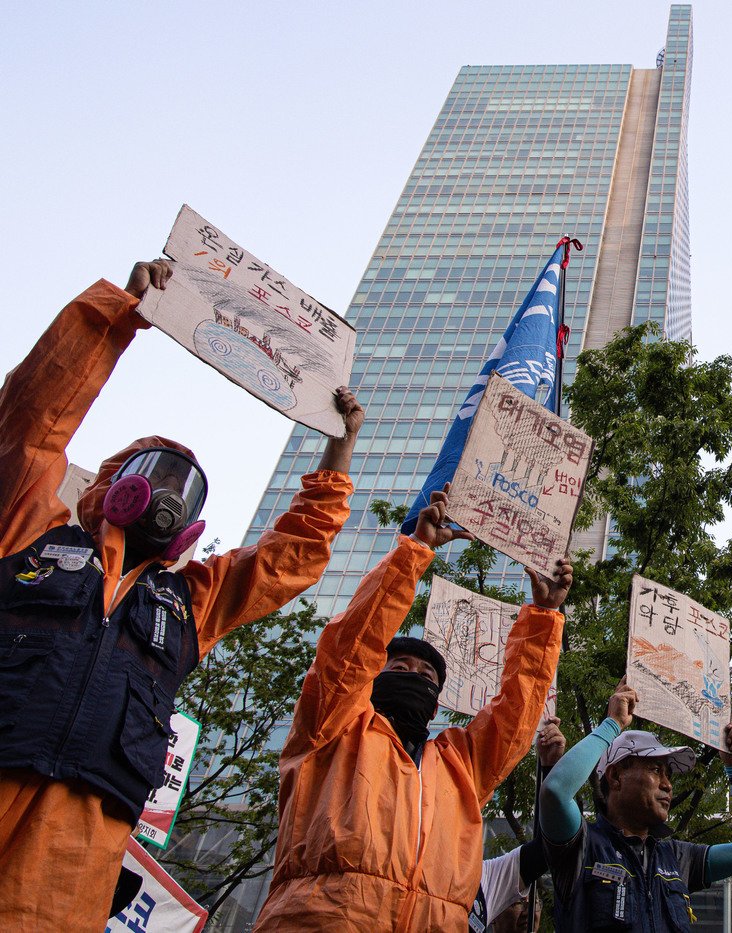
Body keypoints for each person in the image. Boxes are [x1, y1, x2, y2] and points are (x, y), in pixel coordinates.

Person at [0, 261, 361, 929]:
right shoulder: (28, 530)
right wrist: (116, 315)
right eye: (154, 473)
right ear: (112, 486)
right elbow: (29, 427)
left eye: (183, 485)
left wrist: (337, 453)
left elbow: (293, 557)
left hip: (73, 854)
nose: (166, 492)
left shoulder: (190, 601)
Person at [253, 486, 572, 930]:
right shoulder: (333, 727)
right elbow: (352, 645)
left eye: (427, 677)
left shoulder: (460, 765)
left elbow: (515, 714)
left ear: (435, 700)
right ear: (372, 678)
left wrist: (542, 616)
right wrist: (416, 552)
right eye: (399, 666)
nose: (414, 676)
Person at [539, 679, 732, 931]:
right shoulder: (582, 846)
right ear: (615, 776)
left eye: (669, 774)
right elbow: (555, 791)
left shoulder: (677, 857)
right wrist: (612, 724)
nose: (668, 785)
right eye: (655, 769)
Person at [471, 716, 567, 933]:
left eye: (529, 900)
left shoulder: (482, 879)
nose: (527, 909)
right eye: (515, 901)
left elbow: (547, 849)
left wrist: (550, 767)